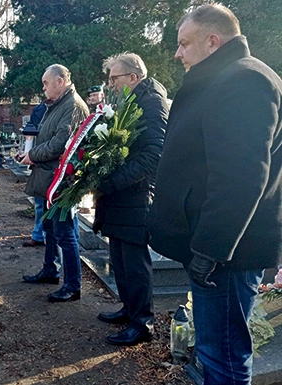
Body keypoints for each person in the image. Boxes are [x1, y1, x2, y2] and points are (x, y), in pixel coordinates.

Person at [148, 4, 282, 384]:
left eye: (184, 43)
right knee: (216, 351)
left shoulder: (244, 81)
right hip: (219, 246)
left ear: (212, 40)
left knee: (223, 355)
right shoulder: (225, 78)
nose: (177, 53)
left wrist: (209, 249)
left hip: (227, 252)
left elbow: (240, 177)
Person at [94, 53, 168, 346]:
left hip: (136, 196)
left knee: (135, 263)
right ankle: (129, 309)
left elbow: (153, 156)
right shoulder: (128, 101)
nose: (110, 84)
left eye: (114, 78)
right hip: (119, 196)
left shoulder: (151, 103)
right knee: (120, 260)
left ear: (133, 78)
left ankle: (142, 322)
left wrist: (112, 181)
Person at [21, 64, 89, 302]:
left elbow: (61, 144)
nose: (43, 87)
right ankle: (51, 269)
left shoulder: (72, 106)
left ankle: (72, 285)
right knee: (51, 229)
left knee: (65, 233)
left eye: (46, 82)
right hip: (49, 178)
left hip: (61, 182)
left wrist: (33, 155)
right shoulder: (59, 104)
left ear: (60, 81)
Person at [22, 102, 47, 248]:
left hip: (53, 162)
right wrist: (27, 152)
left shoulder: (65, 107)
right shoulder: (39, 109)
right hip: (37, 160)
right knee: (39, 203)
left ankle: (46, 236)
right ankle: (37, 234)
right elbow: (30, 133)